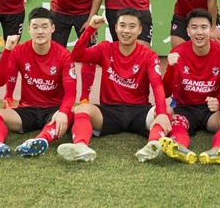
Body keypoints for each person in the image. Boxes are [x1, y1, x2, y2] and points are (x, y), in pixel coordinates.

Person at [56, 10, 171, 163]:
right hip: (109, 112)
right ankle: (81, 147)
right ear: (115, 28)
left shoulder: (148, 55)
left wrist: (162, 112)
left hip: (139, 112)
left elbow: (157, 85)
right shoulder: (105, 48)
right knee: (81, 108)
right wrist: (90, 29)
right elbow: (76, 55)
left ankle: (152, 145)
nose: (126, 30)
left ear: (140, 30)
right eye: (122, 25)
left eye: (132, 26)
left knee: (168, 111)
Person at [0, 7, 77, 159]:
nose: (40, 31)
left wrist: (63, 112)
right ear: (29, 29)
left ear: (52, 28)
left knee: (70, 114)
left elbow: (71, 92)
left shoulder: (64, 55)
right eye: (35, 27)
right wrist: (7, 50)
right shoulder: (19, 51)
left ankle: (39, 141)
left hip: (53, 111)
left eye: (45, 27)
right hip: (28, 110)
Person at [160, 9, 220, 165]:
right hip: (186, 108)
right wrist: (170, 68)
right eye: (194, 27)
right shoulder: (177, 53)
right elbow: (166, 91)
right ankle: (179, 147)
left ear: (211, 30)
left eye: (204, 27)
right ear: (188, 31)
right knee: (175, 121)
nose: (199, 32)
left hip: (212, 111)